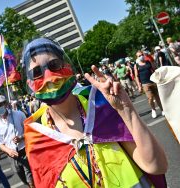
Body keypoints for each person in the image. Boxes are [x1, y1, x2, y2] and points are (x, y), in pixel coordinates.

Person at [21, 38, 167, 187]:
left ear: (67, 66)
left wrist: (126, 109)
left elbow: (157, 166)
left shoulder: (101, 106)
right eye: (37, 72)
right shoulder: (37, 138)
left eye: (54, 65)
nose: (49, 77)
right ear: (30, 84)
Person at [0, 95, 34, 188]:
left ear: (5, 104)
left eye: (0, 105)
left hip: (25, 151)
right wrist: (8, 151)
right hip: (12, 156)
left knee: (30, 178)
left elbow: (30, 131)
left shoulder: (19, 114)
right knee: (21, 176)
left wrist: (21, 137)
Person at [134, 50, 164, 118]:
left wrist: (158, 78)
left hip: (153, 81)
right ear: (137, 57)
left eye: (142, 55)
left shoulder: (148, 62)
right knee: (150, 98)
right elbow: (136, 76)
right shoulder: (136, 65)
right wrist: (139, 85)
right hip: (145, 83)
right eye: (139, 56)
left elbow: (154, 69)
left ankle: (162, 110)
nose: (141, 56)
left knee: (157, 97)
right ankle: (153, 109)